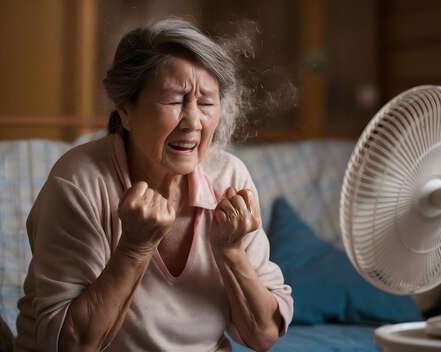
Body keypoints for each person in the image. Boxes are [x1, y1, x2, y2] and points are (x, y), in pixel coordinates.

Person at [16, 18, 293, 351]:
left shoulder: (229, 178)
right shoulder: (79, 181)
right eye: (174, 101)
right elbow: (70, 345)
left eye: (206, 103)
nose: (192, 121)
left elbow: (262, 336)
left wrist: (232, 253)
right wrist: (134, 248)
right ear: (126, 111)